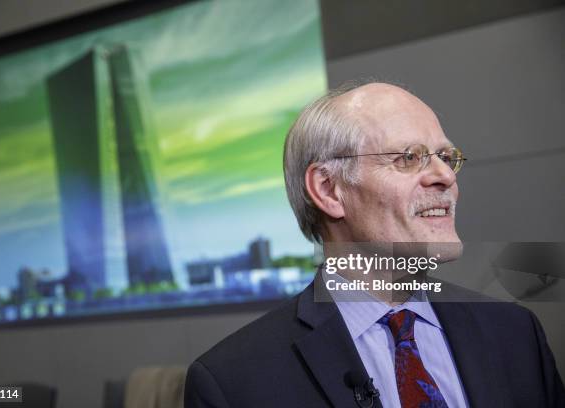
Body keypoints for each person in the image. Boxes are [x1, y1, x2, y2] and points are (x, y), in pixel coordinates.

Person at [184, 81, 565, 407]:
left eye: (447, 158)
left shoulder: (516, 334)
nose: (445, 176)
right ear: (329, 190)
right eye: (409, 157)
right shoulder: (234, 383)